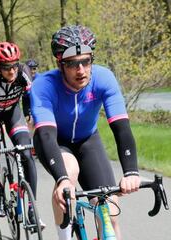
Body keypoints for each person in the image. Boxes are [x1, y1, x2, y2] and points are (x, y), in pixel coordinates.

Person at [31, 25, 140, 240]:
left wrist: (131, 172)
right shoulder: (44, 85)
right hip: (55, 142)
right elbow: (45, 135)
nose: (81, 70)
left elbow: (121, 128)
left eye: (86, 61)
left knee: (109, 207)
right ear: (60, 64)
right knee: (69, 173)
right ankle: (64, 236)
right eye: (72, 64)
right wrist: (62, 179)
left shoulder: (103, 78)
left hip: (88, 140)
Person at [0, 42, 41, 226]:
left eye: (14, 65)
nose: (12, 71)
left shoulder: (23, 72)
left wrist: (33, 117)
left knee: (26, 154)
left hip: (13, 114)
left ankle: (31, 206)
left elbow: (33, 98)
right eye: (7, 68)